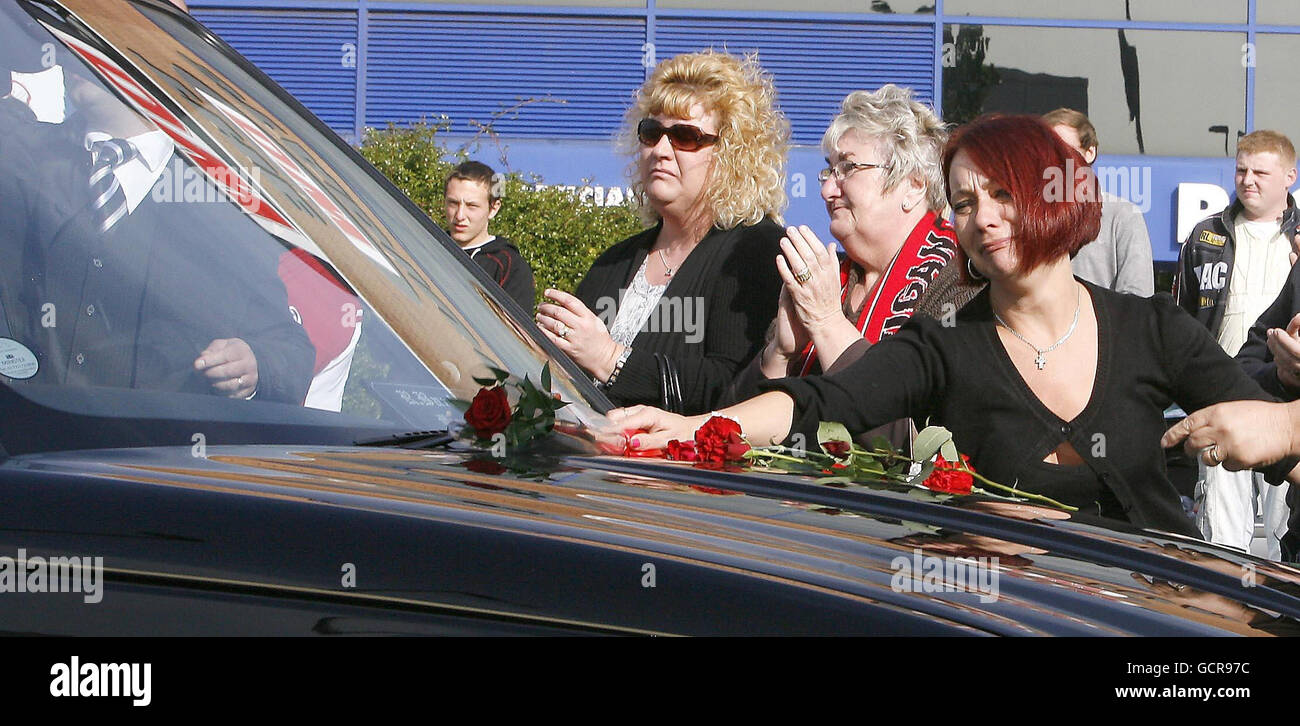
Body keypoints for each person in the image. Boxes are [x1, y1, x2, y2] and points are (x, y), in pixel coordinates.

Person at [612, 114, 1297, 538]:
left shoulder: (1151, 327)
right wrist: (698, 429)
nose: (984, 216)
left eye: (1004, 193)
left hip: (1156, 630)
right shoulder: (946, 344)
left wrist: (1285, 426)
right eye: (965, 202)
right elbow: (823, 403)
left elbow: (1279, 440)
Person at [724, 85, 979, 446]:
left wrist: (828, 325)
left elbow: (916, 444)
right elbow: (730, 424)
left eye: (849, 168)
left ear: (913, 186)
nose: (828, 190)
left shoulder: (961, 281)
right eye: (829, 171)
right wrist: (780, 353)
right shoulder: (831, 280)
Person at [535, 51, 787, 413]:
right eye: (652, 133)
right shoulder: (615, 261)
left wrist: (610, 359)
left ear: (732, 153)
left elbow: (735, 385)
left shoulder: (754, 250)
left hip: (685, 469)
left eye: (685, 136)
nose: (661, 150)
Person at [1174, 129, 1300, 554]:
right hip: (1221, 400)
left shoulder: (1299, 240)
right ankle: (1224, 609)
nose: (1248, 180)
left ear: (1290, 176)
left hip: (1288, 405)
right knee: (1222, 532)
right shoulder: (1204, 237)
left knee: (1287, 523)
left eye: (1261, 172)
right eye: (1241, 169)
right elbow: (1181, 321)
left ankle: (1284, 610)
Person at [1042, 108, 1154, 297]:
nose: (1056, 159)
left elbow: (1138, 298)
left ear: (1090, 152)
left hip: (1105, 325)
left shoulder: (1122, 214)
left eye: (1064, 149)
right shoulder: (1029, 216)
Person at [444, 160, 535, 310]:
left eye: (471, 206)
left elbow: (513, 330)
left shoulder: (510, 267)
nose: (460, 215)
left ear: (493, 208)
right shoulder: (428, 246)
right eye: (453, 203)